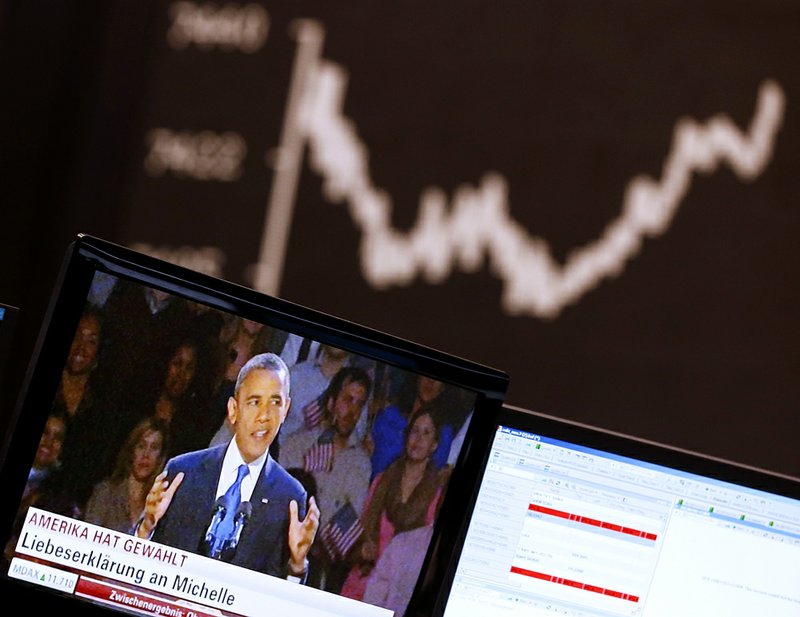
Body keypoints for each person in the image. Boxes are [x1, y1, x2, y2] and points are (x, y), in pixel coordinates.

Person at [136, 353, 320, 581]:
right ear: (233, 410)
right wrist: (146, 527)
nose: (264, 416)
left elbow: (276, 601)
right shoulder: (183, 472)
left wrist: (297, 564)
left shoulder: (290, 498)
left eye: (275, 402)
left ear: (286, 410)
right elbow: (139, 569)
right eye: (254, 402)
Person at [280, 367, 373, 591]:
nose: (352, 411)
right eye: (348, 400)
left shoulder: (361, 463)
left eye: (359, 404)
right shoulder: (296, 446)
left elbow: (353, 519)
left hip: (325, 566)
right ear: (330, 402)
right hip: (284, 551)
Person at [341, 407, 444, 601]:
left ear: (434, 445)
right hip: (365, 579)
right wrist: (363, 548)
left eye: (426, 433)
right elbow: (363, 529)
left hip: (402, 592)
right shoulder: (383, 480)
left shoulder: (436, 495)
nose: (418, 439)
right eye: (414, 431)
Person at [84, 417, 169, 533]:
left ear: (160, 457)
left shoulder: (160, 504)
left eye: (154, 448)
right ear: (131, 450)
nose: (146, 455)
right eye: (141, 446)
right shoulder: (106, 493)